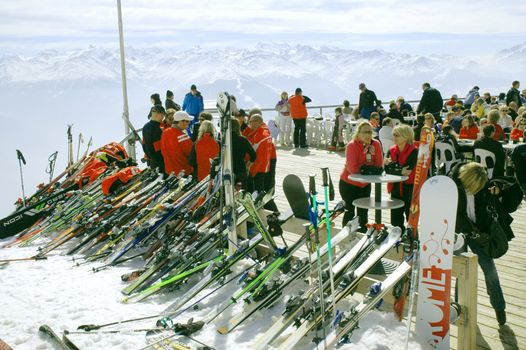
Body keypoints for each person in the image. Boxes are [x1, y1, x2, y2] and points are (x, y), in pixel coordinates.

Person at [452, 162, 516, 325]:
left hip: (478, 234)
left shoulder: (482, 184)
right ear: (467, 180)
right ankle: (458, 308)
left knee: (490, 271)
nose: (477, 190)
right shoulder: (452, 185)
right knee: (461, 272)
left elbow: (515, 190)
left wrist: (499, 187)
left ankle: (499, 308)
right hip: (458, 232)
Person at [339, 122, 383, 228]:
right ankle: (345, 236)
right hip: (348, 183)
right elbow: (353, 169)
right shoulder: (351, 145)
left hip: (364, 184)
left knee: (363, 213)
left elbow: (379, 166)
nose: (368, 135)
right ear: (358, 133)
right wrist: (366, 158)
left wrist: (365, 168)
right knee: (349, 211)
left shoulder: (376, 144)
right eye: (365, 132)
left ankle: (363, 236)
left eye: (370, 132)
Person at [385, 124, 418, 231]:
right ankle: (398, 240)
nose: (394, 137)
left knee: (411, 220)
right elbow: (386, 168)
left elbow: (407, 171)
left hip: (409, 189)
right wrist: (399, 169)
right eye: (393, 135)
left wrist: (393, 166)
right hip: (395, 188)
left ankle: (412, 242)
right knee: (395, 221)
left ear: (406, 136)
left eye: (397, 135)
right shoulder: (391, 150)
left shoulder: (414, 151)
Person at [160, 111, 193, 177]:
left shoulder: (165, 132)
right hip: (184, 171)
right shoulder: (183, 137)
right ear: (181, 122)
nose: (189, 123)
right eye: (187, 121)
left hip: (170, 171)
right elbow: (191, 154)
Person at [230, 118, 256, 190]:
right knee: (242, 196)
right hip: (241, 170)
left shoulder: (224, 140)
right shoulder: (243, 139)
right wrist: (248, 165)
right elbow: (253, 155)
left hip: (228, 171)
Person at [142, 105, 165, 173]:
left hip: (151, 162)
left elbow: (144, 145)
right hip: (160, 163)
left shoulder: (145, 127)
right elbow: (159, 150)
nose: (163, 117)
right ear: (158, 114)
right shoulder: (157, 129)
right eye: (163, 114)